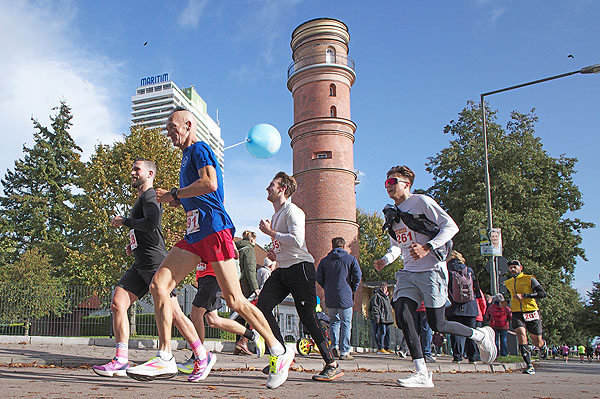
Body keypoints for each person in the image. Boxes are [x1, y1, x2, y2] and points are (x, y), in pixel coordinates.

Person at [127, 109, 293, 389]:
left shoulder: (200, 149)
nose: (168, 132)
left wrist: (177, 194)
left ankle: (278, 349)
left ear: (188, 125)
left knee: (234, 300)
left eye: (172, 127)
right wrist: (173, 198)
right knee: (159, 285)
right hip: (194, 233)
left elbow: (210, 183)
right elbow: (197, 193)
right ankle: (165, 356)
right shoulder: (185, 158)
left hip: (214, 230)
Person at [373, 165, 496, 388]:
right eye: (386, 183)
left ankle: (479, 336)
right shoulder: (393, 214)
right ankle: (422, 373)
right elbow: (397, 246)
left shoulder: (421, 202)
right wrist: (385, 260)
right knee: (403, 315)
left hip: (432, 271)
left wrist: (428, 247)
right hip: (408, 273)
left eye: (393, 182)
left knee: (437, 324)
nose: (388, 187)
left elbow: (451, 227)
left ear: (406, 184)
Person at [92, 158, 200, 378]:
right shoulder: (142, 198)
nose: (132, 172)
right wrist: (133, 244)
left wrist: (125, 222)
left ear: (150, 174)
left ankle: (201, 354)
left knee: (175, 314)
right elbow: (145, 229)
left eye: (137, 169)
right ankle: (121, 360)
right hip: (140, 262)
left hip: (154, 262)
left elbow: (151, 223)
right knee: (117, 303)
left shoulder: (150, 196)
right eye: (132, 168)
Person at [257, 171, 343, 382]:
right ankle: (282, 354)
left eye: (272, 184)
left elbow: (297, 241)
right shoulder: (277, 215)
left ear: (282, 188)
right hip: (283, 269)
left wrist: (272, 234)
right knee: (262, 306)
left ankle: (331, 363)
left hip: (301, 269)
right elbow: (285, 244)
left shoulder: (293, 211)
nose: (268, 188)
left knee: (308, 317)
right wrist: (274, 251)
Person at [176, 260, 266, 374]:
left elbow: (233, 251)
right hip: (203, 277)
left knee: (196, 314)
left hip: (212, 277)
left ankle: (198, 358)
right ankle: (252, 335)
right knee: (214, 320)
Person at [316, 237, 362, 360]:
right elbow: (357, 275)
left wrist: (326, 287)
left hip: (330, 296)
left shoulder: (324, 261)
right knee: (346, 323)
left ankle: (334, 347)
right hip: (345, 295)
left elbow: (319, 277)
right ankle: (345, 351)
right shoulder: (350, 259)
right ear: (344, 246)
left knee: (334, 322)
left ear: (332, 246)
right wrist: (352, 288)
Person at [504, 259, 548, 375]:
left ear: (520, 268)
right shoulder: (508, 282)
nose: (513, 269)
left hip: (531, 311)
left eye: (515, 267)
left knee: (536, 341)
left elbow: (542, 293)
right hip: (517, 312)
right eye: (510, 268)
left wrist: (525, 296)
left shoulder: (529, 279)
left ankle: (542, 346)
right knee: (521, 335)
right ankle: (529, 365)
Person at [445, 251, 482, 364]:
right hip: (470, 306)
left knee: (455, 331)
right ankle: (473, 357)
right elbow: (476, 287)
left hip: (453, 306)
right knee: (471, 331)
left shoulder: (447, 271)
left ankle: (457, 356)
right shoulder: (469, 270)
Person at [233, 230, 259, 355]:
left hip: (236, 285)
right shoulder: (249, 250)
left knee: (239, 316)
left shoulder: (237, 249)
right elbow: (250, 270)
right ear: (252, 239)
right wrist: (255, 288)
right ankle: (243, 341)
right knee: (251, 315)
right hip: (246, 288)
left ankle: (238, 344)